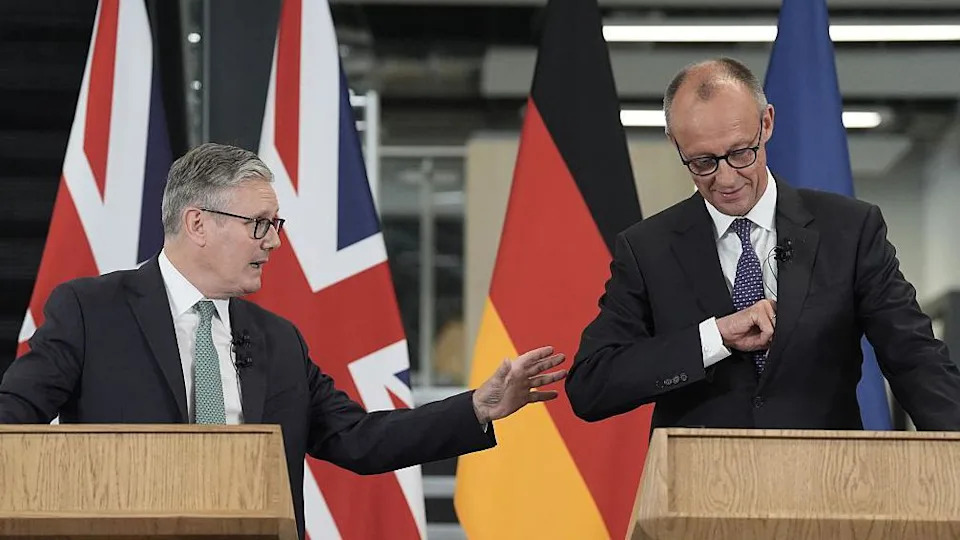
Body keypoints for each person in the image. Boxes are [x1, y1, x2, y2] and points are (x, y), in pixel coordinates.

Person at [0, 143, 567, 539]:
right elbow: (13, 419)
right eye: (259, 224)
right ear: (198, 224)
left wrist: (478, 407)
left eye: (277, 225)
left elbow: (359, 439)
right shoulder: (91, 311)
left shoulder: (275, 340)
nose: (273, 242)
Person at [566, 57, 960, 432]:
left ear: (766, 123)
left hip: (825, 483)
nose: (726, 179)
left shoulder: (850, 230)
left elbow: (915, 358)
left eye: (740, 153)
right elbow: (591, 385)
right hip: (699, 491)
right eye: (702, 162)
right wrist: (714, 337)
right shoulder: (646, 249)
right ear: (676, 143)